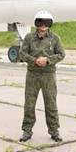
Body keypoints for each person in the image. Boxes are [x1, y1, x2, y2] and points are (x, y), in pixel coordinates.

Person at [18, 10, 65, 142]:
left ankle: (54, 131)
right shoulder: (28, 38)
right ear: (36, 23)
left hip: (48, 76)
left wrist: (47, 60)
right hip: (32, 75)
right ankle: (27, 131)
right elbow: (22, 53)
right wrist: (34, 60)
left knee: (51, 104)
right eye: (40, 22)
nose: (43, 25)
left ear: (50, 24)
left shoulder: (55, 38)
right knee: (29, 104)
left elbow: (61, 54)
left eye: (47, 22)